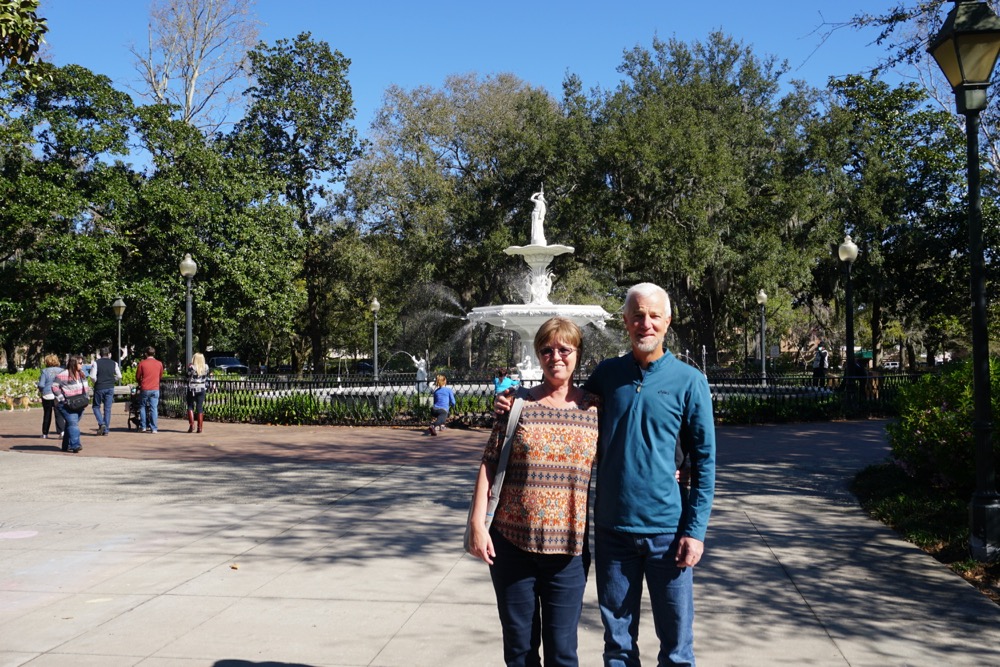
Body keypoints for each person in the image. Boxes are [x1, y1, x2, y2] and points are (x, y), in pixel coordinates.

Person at [496, 282, 716, 666]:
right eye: (637, 316)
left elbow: (705, 461)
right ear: (626, 322)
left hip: (669, 532)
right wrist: (514, 398)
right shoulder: (608, 375)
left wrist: (695, 532)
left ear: (667, 321)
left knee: (677, 647)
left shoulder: (689, 381)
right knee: (617, 645)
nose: (645, 323)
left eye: (654, 316)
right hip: (614, 533)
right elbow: (564, 397)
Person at [468, 317, 600, 667]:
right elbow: (489, 463)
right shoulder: (516, 404)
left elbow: (625, 453)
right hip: (511, 545)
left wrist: (677, 466)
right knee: (520, 651)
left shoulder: (595, 409)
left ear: (577, 354)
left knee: (563, 653)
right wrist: (477, 525)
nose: (555, 357)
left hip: (568, 551)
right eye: (546, 350)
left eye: (564, 350)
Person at [52, 355, 89, 453]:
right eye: (80, 363)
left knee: (70, 424)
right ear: (73, 363)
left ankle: (65, 445)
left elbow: (86, 387)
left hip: (79, 404)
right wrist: (61, 398)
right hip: (66, 404)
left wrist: (86, 397)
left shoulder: (82, 374)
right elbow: (54, 386)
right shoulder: (63, 374)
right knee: (73, 423)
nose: (82, 364)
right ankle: (75, 445)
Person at [89, 347, 121, 435]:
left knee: (96, 406)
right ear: (109, 354)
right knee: (107, 409)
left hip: (99, 387)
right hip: (110, 387)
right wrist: (113, 380)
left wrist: (96, 382)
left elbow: (92, 377)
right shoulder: (114, 363)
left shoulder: (96, 363)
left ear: (100, 354)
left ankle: (101, 423)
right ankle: (106, 430)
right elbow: (119, 376)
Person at [135, 346, 164, 433]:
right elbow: (160, 375)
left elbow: (137, 376)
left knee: (142, 406)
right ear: (154, 354)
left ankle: (143, 426)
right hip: (155, 388)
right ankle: (154, 428)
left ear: (146, 354)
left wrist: (140, 383)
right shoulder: (159, 363)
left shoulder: (142, 363)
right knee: (153, 408)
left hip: (145, 388)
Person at [36, 353, 66, 439]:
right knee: (59, 413)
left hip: (47, 394)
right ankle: (62, 432)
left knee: (47, 414)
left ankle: (45, 433)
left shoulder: (45, 371)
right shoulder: (61, 371)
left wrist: (41, 390)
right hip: (58, 394)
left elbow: (41, 384)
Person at [186, 352, 210, 433]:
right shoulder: (206, 367)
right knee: (199, 407)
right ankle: (200, 428)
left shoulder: (191, 367)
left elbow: (187, 377)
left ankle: (192, 425)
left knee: (190, 406)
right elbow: (207, 377)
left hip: (192, 389)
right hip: (202, 388)